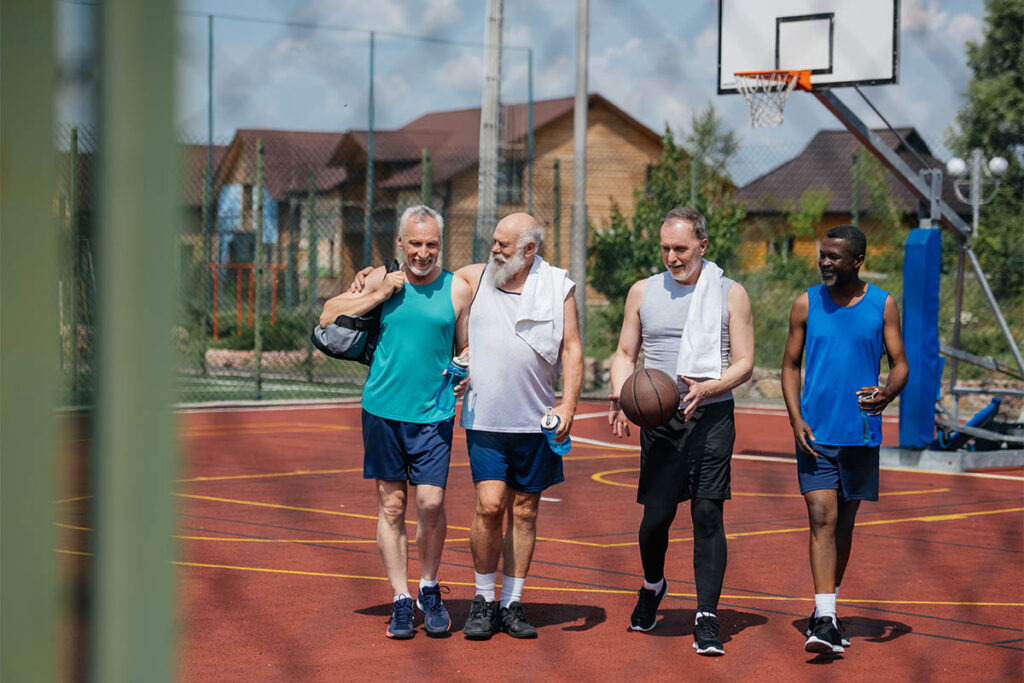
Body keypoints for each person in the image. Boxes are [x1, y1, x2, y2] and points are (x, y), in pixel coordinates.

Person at [320, 205, 472, 639]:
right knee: (391, 506)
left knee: (430, 503)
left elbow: (464, 346)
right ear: (401, 243)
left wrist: (464, 368)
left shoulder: (457, 288)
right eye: (415, 243)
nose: (423, 252)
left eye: (432, 245)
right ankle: (402, 599)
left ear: (440, 245)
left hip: (434, 413)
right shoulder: (378, 279)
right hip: (383, 410)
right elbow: (328, 315)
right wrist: (379, 292)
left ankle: (429, 587)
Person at [608, 207, 754, 656]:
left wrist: (712, 386)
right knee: (656, 519)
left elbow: (746, 362)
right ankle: (653, 585)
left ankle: (706, 615)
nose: (672, 257)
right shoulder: (643, 291)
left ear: (702, 247)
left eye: (682, 249)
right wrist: (621, 395)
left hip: (710, 415)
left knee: (707, 515)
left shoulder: (730, 293)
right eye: (666, 248)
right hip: (661, 422)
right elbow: (624, 352)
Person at [454, 212, 583, 640]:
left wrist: (567, 405)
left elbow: (572, 349)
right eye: (493, 241)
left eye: (504, 245)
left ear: (529, 250)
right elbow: (430, 282)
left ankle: (511, 603)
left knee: (525, 511)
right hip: (485, 417)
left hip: (536, 421)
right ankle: (482, 598)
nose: (494, 249)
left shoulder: (557, 287)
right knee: (490, 506)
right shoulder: (475, 278)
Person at [781, 224, 908, 655]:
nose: (825, 262)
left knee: (844, 525)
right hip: (815, 434)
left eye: (834, 257)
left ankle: (827, 606)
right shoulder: (805, 303)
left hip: (860, 432)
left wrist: (888, 392)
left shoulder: (882, 304)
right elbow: (789, 366)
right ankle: (825, 618)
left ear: (857, 260)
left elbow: (900, 363)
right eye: (822, 255)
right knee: (822, 518)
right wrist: (796, 418)